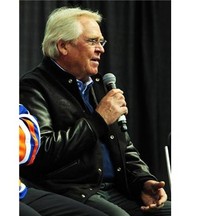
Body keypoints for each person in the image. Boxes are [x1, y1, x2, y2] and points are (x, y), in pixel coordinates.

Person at [20, 7, 171, 216]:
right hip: (75, 192)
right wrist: (98, 120)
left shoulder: (100, 85)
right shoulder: (34, 87)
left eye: (101, 42)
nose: (101, 49)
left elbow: (125, 148)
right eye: (92, 41)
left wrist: (143, 181)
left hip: (118, 190)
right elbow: (42, 152)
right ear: (63, 46)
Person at [19, 104, 109, 216]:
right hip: (70, 186)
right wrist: (97, 122)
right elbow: (35, 151)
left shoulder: (102, 90)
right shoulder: (34, 88)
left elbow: (30, 140)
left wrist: (138, 182)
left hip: (21, 189)